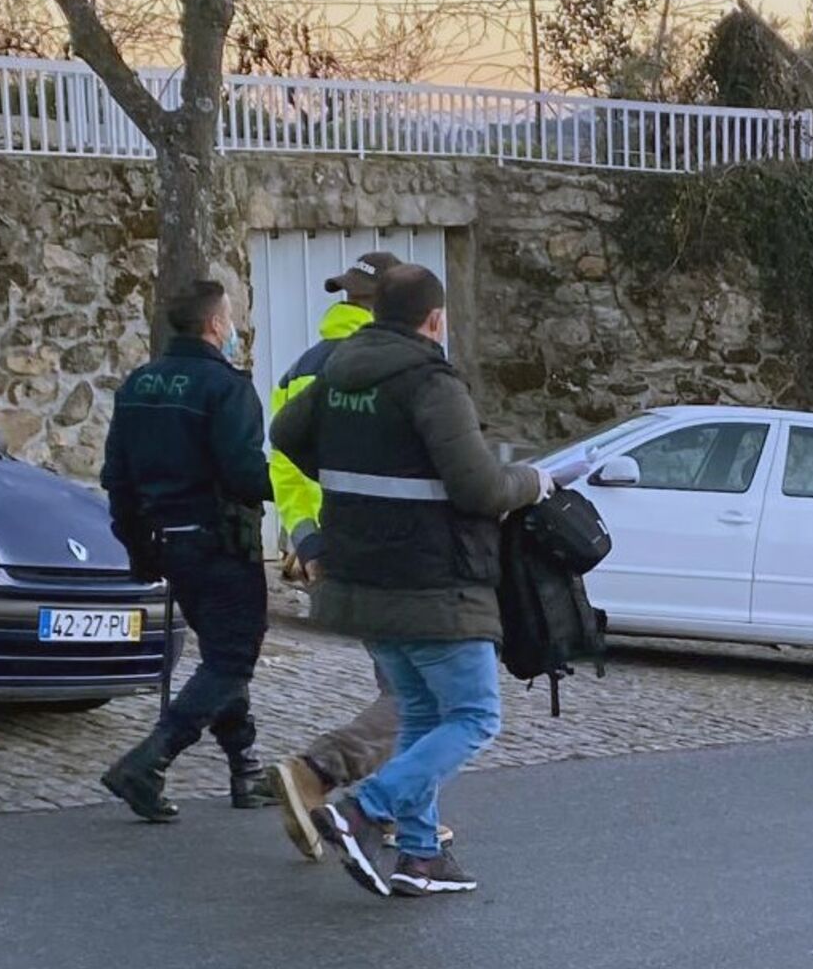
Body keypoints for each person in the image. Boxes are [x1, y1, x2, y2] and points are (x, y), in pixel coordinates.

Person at [271, 264, 551, 898]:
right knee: (475, 715)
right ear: (436, 320)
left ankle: (420, 857)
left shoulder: (339, 372)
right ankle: (364, 809)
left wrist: (359, 480)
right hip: (433, 581)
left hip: (362, 576)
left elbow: (284, 434)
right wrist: (534, 482)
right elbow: (480, 488)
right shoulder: (430, 380)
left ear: (375, 313)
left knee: (421, 712)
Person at [265, 250, 454, 861]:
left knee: (406, 684)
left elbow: (284, 463)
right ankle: (321, 773)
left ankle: (400, 813)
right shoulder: (403, 366)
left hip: (334, 548)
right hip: (395, 552)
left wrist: (307, 538)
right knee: (422, 695)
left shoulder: (304, 366)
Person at [100, 279, 274, 821]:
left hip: (168, 541)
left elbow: (117, 477)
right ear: (216, 324)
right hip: (221, 542)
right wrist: (295, 488)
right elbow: (244, 474)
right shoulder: (226, 387)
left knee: (222, 656)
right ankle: (149, 760)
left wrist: (138, 547)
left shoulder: (138, 384)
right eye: (231, 318)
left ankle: (246, 769)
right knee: (231, 660)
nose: (234, 328)